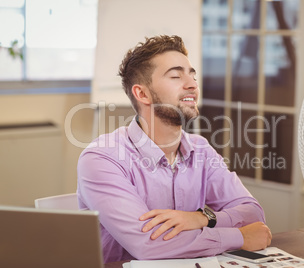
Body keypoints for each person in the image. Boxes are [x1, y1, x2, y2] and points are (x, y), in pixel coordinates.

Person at [77, 35, 272, 263]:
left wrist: (201, 218)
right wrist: (238, 236)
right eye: (176, 76)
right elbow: (149, 245)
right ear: (142, 94)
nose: (192, 84)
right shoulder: (102, 158)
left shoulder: (200, 149)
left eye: (192, 75)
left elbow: (252, 213)